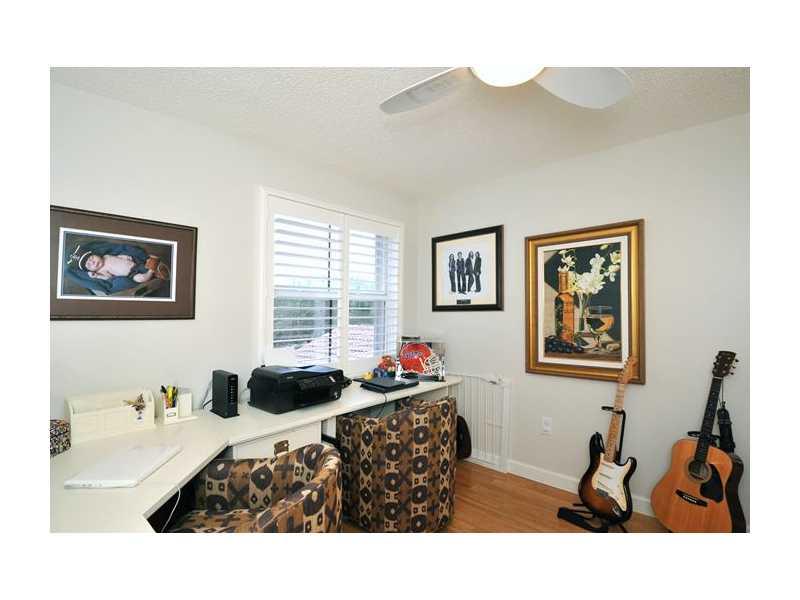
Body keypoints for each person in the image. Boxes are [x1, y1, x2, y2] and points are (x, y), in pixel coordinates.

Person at [65, 240, 170, 295]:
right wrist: (97, 276)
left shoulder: (106, 256)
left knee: (143, 258)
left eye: (91, 258)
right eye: (89, 265)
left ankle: (152, 263)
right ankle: (152, 270)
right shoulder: (101, 270)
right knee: (142, 278)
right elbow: (108, 278)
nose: (93, 262)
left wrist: (125, 257)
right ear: (89, 270)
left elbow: (119, 255)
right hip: (132, 274)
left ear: (95, 254)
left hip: (133, 262)